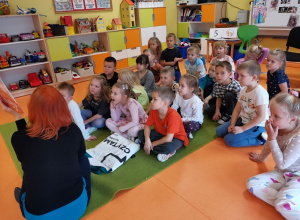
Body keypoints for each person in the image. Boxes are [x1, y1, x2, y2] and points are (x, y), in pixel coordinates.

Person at [0, 85, 91, 219]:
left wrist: (16, 115)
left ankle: (22, 197)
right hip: (79, 207)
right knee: (83, 158)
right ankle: (87, 189)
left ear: (33, 108)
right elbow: (80, 156)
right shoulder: (73, 129)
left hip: (38, 216)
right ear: (61, 105)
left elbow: (26, 143)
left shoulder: (18, 138)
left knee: (29, 170)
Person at [247, 93, 300, 219]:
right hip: (282, 173)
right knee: (252, 184)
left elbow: (282, 163)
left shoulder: (297, 137)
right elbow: (269, 145)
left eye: (276, 116)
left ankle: (285, 202)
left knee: (284, 205)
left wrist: (272, 139)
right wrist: (261, 158)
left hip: (297, 176)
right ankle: (284, 199)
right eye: (271, 113)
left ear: (292, 119)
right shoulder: (278, 127)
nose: (270, 118)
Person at [216, 60, 269, 147]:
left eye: (242, 76)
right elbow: (237, 110)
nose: (238, 78)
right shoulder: (243, 89)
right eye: (238, 75)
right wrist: (232, 124)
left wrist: (242, 129)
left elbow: (261, 117)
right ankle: (242, 131)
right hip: (243, 120)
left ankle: (259, 140)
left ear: (253, 77)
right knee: (219, 131)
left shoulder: (260, 93)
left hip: (256, 125)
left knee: (230, 140)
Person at [137, 86, 189, 162]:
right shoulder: (154, 110)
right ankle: (149, 146)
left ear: (165, 103)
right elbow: (147, 126)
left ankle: (168, 152)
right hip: (160, 134)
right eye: (152, 99)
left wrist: (152, 144)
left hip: (176, 138)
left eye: (155, 99)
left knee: (168, 147)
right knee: (141, 133)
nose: (151, 102)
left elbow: (168, 138)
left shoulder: (173, 116)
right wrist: (148, 140)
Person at [172, 74, 203, 139]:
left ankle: (185, 131)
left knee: (190, 125)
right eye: (179, 85)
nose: (179, 88)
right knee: (171, 118)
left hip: (194, 121)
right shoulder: (179, 95)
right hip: (183, 118)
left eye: (182, 86)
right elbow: (174, 107)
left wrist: (181, 120)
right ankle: (180, 128)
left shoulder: (196, 102)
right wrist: (171, 116)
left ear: (191, 89)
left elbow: (196, 118)